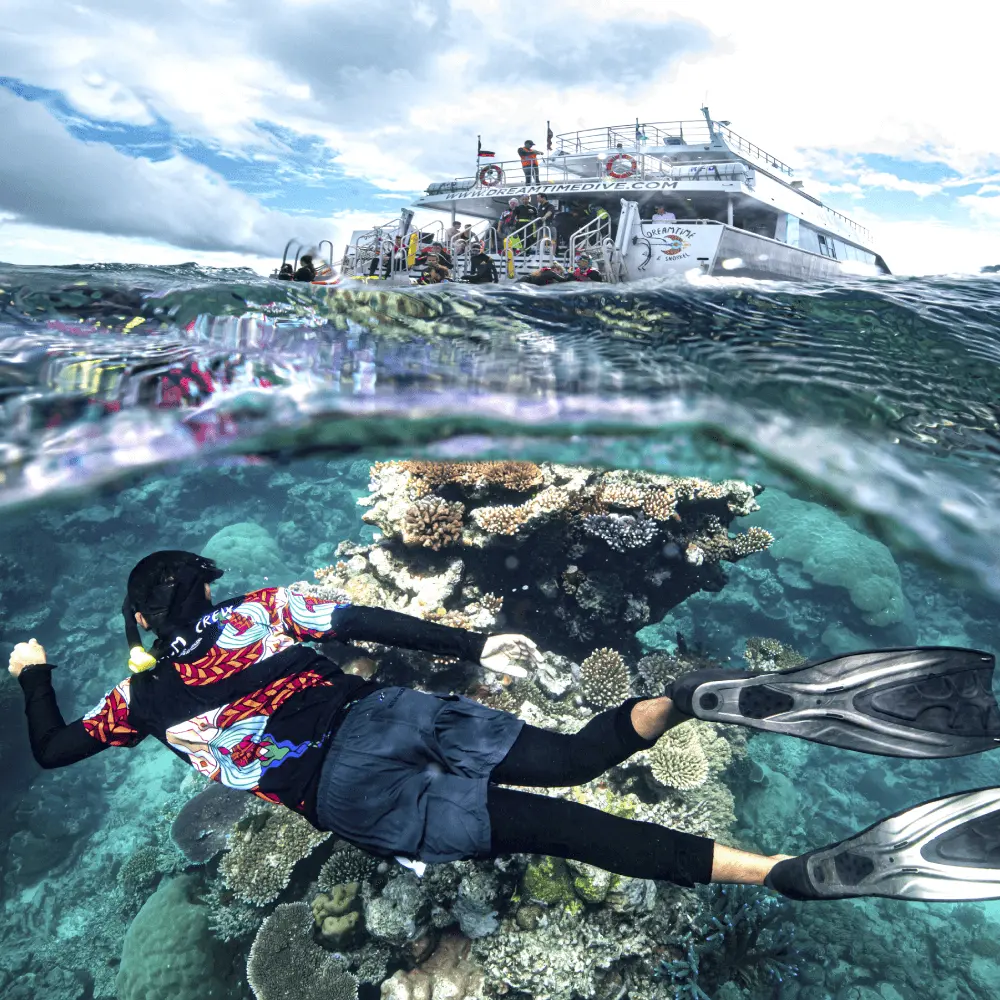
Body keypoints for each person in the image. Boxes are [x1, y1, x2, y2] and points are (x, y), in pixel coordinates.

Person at [13, 554, 1000, 903]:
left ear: (139, 622)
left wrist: (36, 673)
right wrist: (476, 641)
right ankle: (685, 699)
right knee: (571, 758)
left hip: (344, 792)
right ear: (204, 593)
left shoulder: (135, 704)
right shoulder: (264, 609)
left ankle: (779, 872)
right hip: (385, 710)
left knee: (566, 830)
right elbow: (373, 621)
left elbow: (52, 751)